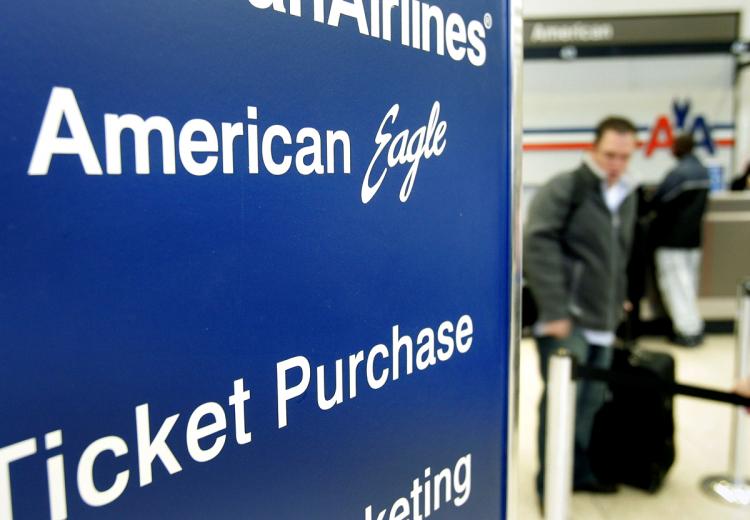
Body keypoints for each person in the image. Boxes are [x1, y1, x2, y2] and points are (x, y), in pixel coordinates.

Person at [524, 116, 638, 500]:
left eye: (624, 156)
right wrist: (554, 310)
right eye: (609, 154)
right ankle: (549, 483)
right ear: (592, 149)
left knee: (590, 403)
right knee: (561, 402)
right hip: (565, 321)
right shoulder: (567, 187)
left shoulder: (626, 193)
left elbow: (618, 255)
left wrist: (618, 296)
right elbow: (537, 243)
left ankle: (578, 471)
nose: (616, 164)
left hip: (602, 320)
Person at [650, 134, 711, 347]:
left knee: (676, 287)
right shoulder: (702, 171)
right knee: (688, 287)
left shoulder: (679, 174)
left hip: (672, 240)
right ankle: (693, 326)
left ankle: (687, 331)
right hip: (693, 240)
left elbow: (658, 201)